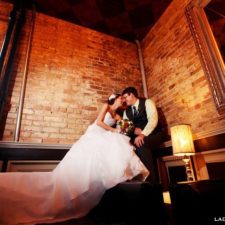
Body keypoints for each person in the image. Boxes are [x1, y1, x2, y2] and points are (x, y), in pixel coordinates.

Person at [0, 94, 149, 225]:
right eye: (121, 99)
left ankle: (108, 178)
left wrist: (136, 130)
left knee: (116, 141)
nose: (123, 101)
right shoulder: (106, 106)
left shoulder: (118, 115)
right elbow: (98, 122)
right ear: (115, 99)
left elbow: (126, 127)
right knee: (108, 142)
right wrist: (114, 130)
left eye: (124, 100)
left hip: (104, 135)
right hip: (95, 133)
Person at [122, 87, 166, 184]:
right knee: (131, 147)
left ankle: (150, 183)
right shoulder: (126, 112)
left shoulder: (148, 102)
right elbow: (125, 128)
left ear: (132, 95)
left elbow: (153, 120)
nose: (124, 101)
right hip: (138, 136)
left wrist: (142, 134)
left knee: (141, 143)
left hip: (156, 134)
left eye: (125, 97)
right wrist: (134, 130)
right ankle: (135, 184)